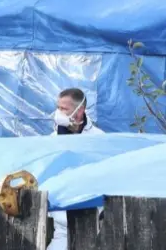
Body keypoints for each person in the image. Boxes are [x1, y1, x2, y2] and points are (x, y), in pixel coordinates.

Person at [48, 88, 105, 250]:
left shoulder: (98, 140)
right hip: (61, 225)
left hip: (92, 221)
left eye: (64, 109)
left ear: (80, 111)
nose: (58, 113)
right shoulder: (52, 140)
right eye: (58, 107)